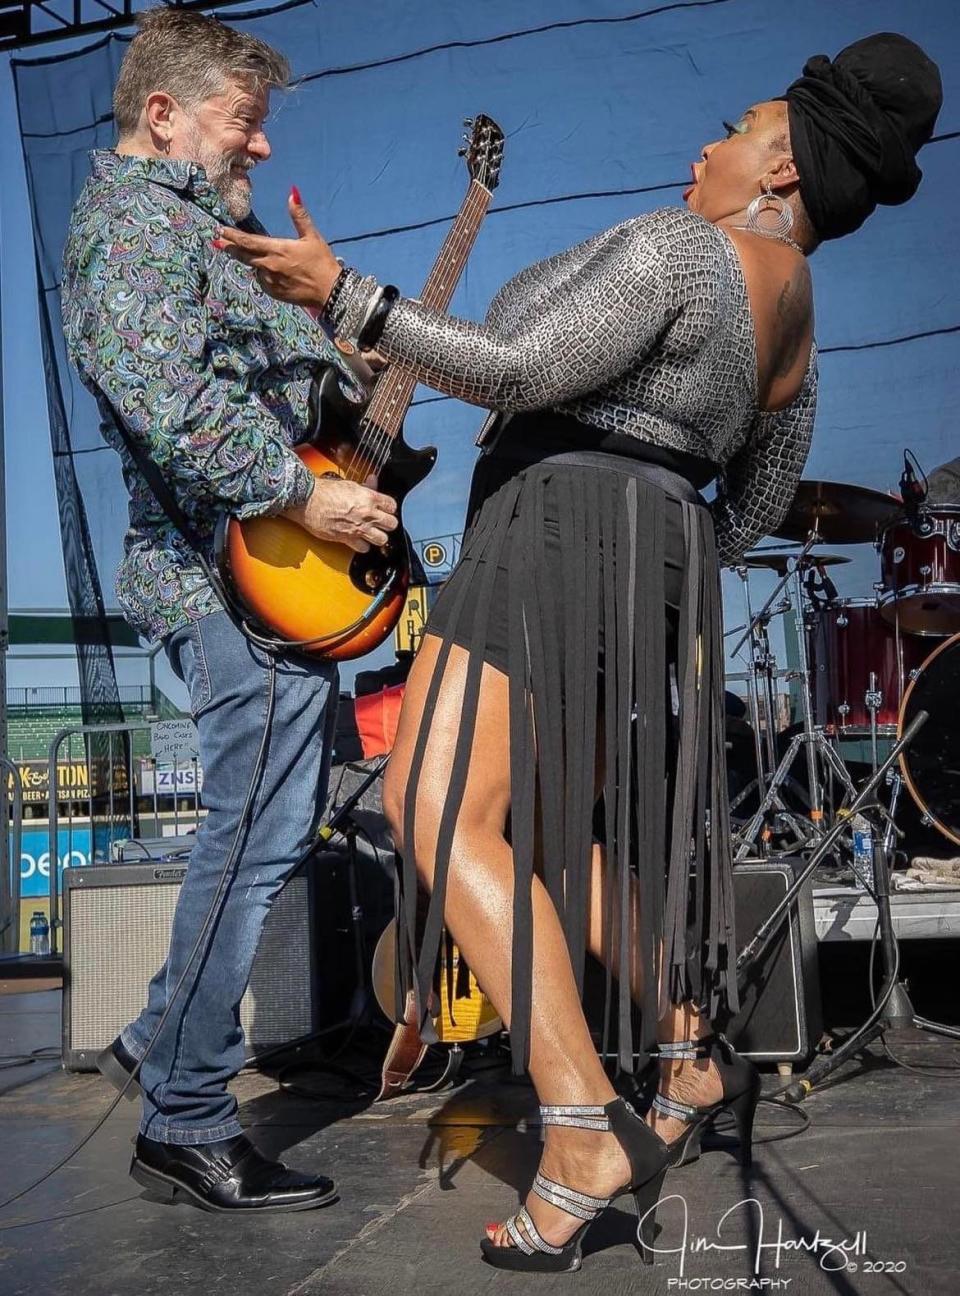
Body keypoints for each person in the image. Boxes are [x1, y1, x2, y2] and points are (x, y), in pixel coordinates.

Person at [218, 31, 941, 1268]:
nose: (699, 149)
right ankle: (685, 1044)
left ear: (778, 169)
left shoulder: (683, 247)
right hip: (650, 555)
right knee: (554, 833)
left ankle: (577, 1124)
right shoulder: (798, 330)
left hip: (553, 524)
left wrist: (341, 292)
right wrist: (653, 550)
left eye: (728, 131)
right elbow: (757, 510)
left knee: (433, 801)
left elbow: (523, 367)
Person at [61, 7, 398, 1213]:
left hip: (271, 580)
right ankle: (187, 1118)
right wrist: (304, 497)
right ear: (164, 114)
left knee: (272, 825)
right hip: (224, 580)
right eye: (244, 122)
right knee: (250, 841)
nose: (259, 148)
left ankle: (159, 1040)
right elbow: (167, 397)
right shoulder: (132, 230)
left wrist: (329, 327)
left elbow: (287, 390)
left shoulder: (220, 238)